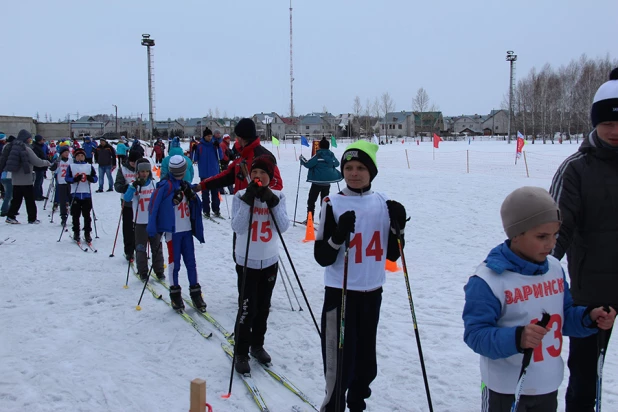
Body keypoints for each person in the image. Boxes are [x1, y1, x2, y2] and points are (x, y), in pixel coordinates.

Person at [463, 186, 616, 411]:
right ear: (516, 234)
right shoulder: (489, 279)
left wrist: (589, 318)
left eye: (555, 235)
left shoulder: (554, 269)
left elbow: (564, 317)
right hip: (505, 389)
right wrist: (517, 338)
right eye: (542, 236)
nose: (551, 244)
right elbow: (475, 335)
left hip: (547, 385)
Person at [314, 141, 406, 412]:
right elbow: (322, 257)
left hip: (372, 294)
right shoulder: (333, 203)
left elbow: (392, 255)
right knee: (339, 365)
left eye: (361, 168)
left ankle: (356, 406)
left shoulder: (383, 203)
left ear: (372, 171)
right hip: (340, 296)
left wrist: (399, 230)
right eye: (348, 167)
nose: (354, 173)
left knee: (365, 365)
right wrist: (338, 236)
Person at [549, 67, 618, 411]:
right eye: (608, 123)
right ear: (595, 123)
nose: (615, 131)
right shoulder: (576, 168)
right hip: (593, 291)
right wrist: (540, 269)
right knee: (584, 379)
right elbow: (556, 228)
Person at [231, 155, 289, 374]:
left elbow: (283, 227)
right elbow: (237, 227)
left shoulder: (279, 196)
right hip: (247, 261)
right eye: (254, 172)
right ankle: (241, 352)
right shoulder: (239, 196)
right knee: (247, 308)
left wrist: (271, 202)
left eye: (262, 173)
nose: (257, 176)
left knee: (263, 308)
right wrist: (248, 201)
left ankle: (257, 345)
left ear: (270, 176)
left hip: (270, 261)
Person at [147, 155, 206, 311]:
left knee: (191, 262)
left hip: (186, 230)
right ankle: (175, 294)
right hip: (173, 232)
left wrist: (192, 195)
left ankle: (195, 293)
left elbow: (196, 205)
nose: (180, 174)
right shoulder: (165, 186)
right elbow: (154, 205)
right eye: (178, 171)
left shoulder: (186, 185)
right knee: (175, 264)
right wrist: (153, 228)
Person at [194, 118, 283, 197]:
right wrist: (202, 185)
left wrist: (258, 193)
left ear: (241, 137)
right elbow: (225, 177)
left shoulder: (263, 156)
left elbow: (276, 184)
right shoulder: (242, 157)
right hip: (241, 210)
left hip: (257, 213)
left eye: (237, 136)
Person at [123, 158, 164, 280]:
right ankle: (143, 272)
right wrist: (133, 187)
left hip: (153, 221)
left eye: (147, 171)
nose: (144, 174)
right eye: (142, 171)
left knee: (156, 247)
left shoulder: (153, 183)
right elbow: (126, 199)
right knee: (140, 248)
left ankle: (159, 271)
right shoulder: (134, 185)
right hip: (140, 222)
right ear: (138, 172)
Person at [0, 130, 50, 224]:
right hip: (26, 178)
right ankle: (32, 218)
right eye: (30, 138)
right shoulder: (26, 149)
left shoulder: (10, 146)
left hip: (15, 178)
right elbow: (37, 162)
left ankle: (10, 216)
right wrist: (47, 163)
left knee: (16, 199)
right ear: (26, 139)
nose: (31, 140)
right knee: (30, 200)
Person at [300, 136, 343, 223]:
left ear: (319, 146)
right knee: (324, 202)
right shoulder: (331, 155)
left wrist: (302, 159)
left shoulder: (318, 155)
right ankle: (324, 220)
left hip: (317, 182)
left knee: (311, 201)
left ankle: (310, 219)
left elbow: (308, 164)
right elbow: (337, 164)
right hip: (327, 183)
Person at [65, 148, 97, 242]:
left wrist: (91, 178)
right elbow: (67, 178)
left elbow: (95, 178)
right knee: (75, 215)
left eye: (82, 155)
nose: (80, 157)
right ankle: (76, 232)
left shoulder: (89, 166)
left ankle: (87, 233)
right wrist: (74, 179)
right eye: (78, 155)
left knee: (87, 215)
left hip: (86, 194)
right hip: (75, 194)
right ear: (75, 157)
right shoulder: (71, 166)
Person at [114, 150, 141, 261]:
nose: (134, 165)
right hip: (128, 203)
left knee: (139, 228)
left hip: (140, 203)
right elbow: (117, 186)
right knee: (128, 227)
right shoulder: (123, 169)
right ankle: (129, 251)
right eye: (132, 162)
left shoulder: (143, 168)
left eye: (136, 162)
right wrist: (127, 188)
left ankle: (139, 249)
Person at [194, 128, 223, 218]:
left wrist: (218, 147)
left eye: (211, 136)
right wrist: (193, 150)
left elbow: (220, 157)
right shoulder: (200, 146)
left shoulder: (214, 145)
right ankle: (206, 210)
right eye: (208, 136)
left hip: (214, 173)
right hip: (204, 173)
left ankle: (216, 210)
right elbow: (195, 159)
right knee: (205, 194)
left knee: (215, 193)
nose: (210, 138)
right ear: (204, 136)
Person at [49, 145, 72, 226]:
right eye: (65, 152)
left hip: (70, 183)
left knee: (72, 200)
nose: (66, 154)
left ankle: (74, 215)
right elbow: (52, 168)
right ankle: (63, 217)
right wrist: (56, 163)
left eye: (67, 152)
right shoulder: (58, 161)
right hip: (61, 183)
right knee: (62, 201)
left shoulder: (70, 161)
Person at [0, 135, 15, 216]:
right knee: (9, 194)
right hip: (7, 175)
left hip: (3, 174)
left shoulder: (5, 149)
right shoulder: (8, 149)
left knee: (8, 194)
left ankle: (9, 209)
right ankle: (4, 210)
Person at [31, 134, 48, 201]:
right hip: (38, 167)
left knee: (40, 181)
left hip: (42, 166)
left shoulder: (39, 146)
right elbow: (37, 158)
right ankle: (36, 195)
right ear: (39, 141)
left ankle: (40, 194)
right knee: (38, 181)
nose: (43, 141)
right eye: (41, 140)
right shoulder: (35, 147)